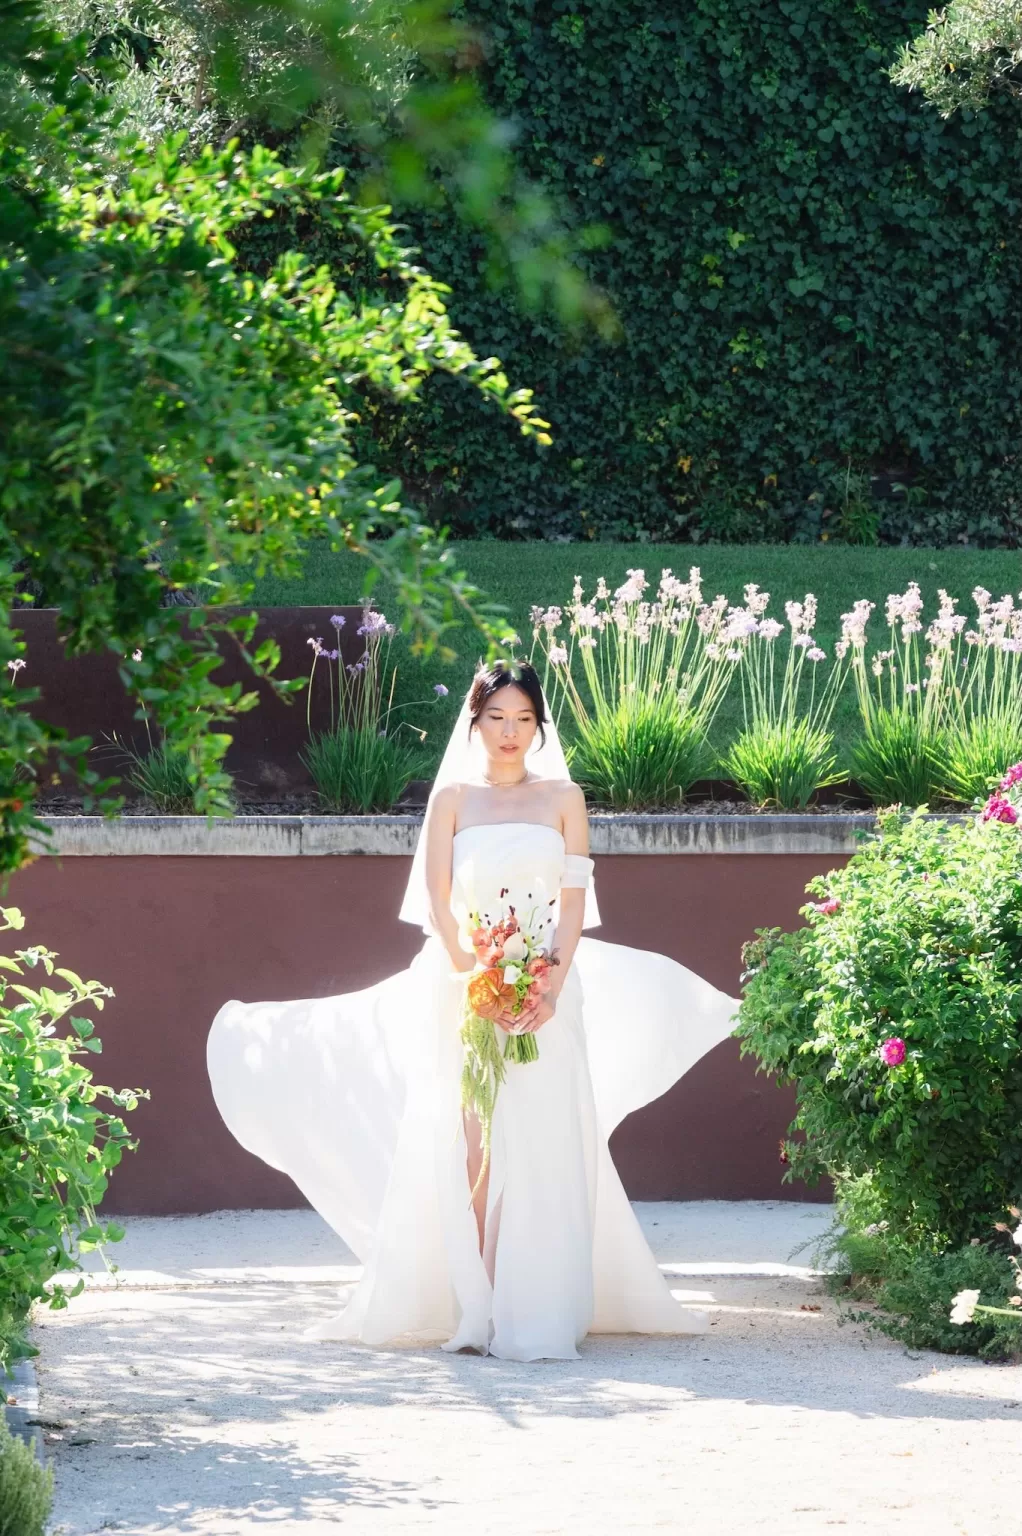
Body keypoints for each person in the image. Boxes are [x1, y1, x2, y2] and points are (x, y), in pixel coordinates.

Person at [206, 660, 741, 1361]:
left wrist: (546, 985)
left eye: (522, 720)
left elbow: (574, 900)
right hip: (462, 985)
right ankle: (479, 1303)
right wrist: (478, 981)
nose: (509, 733)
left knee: (545, 1133)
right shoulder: (453, 798)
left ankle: (541, 1303)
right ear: (476, 722)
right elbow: (435, 897)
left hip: (550, 986)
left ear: (539, 726)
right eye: (496, 719)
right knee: (471, 1138)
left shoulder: (565, 799)